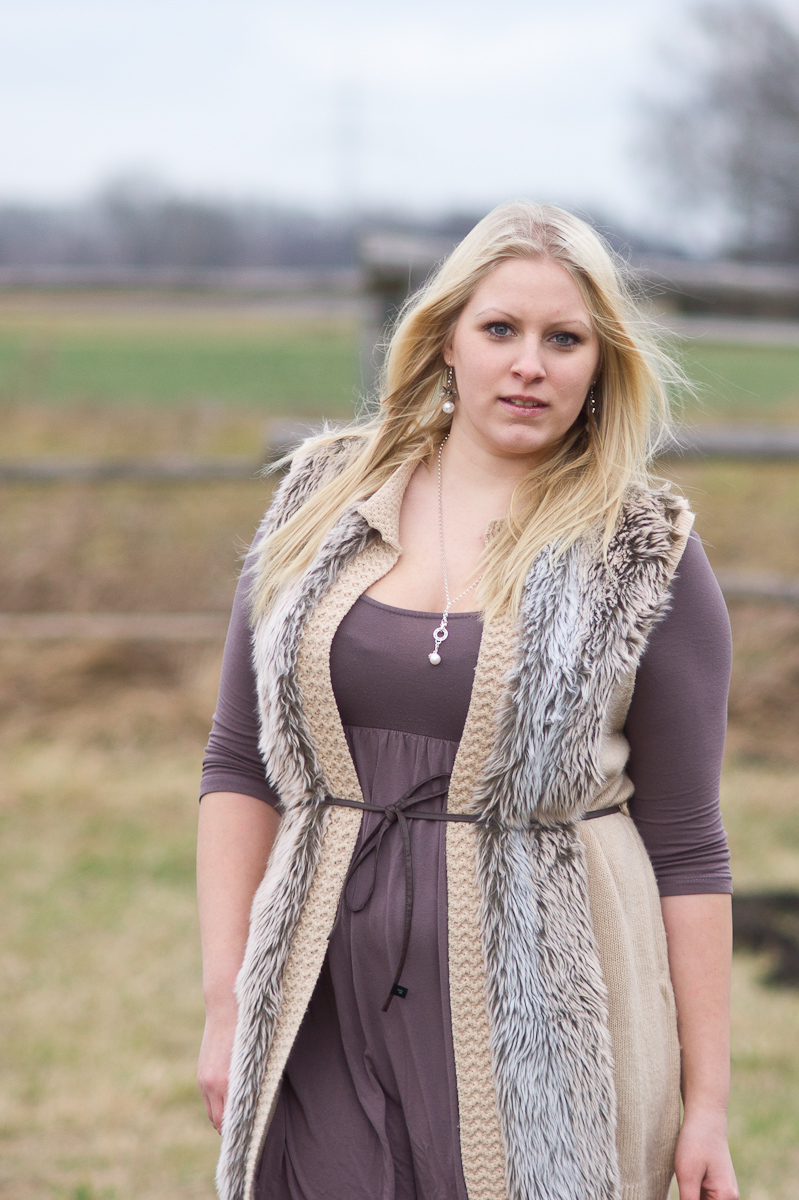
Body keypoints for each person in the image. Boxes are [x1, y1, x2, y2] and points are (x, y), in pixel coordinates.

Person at [197, 201, 739, 1200]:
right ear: (448, 339)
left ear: (600, 365)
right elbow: (238, 762)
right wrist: (229, 1002)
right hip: (321, 997)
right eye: (500, 329)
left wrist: (705, 1103)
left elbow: (687, 845)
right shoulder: (319, 499)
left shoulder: (643, 553)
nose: (529, 365)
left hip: (547, 1032)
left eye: (563, 339)